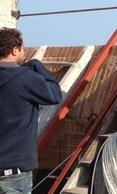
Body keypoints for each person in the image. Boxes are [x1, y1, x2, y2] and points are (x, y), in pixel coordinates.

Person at [0, 28, 62, 194]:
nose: (24, 52)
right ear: (14, 50)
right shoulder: (25, 78)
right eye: (22, 49)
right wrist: (37, 66)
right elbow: (55, 95)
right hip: (14, 176)